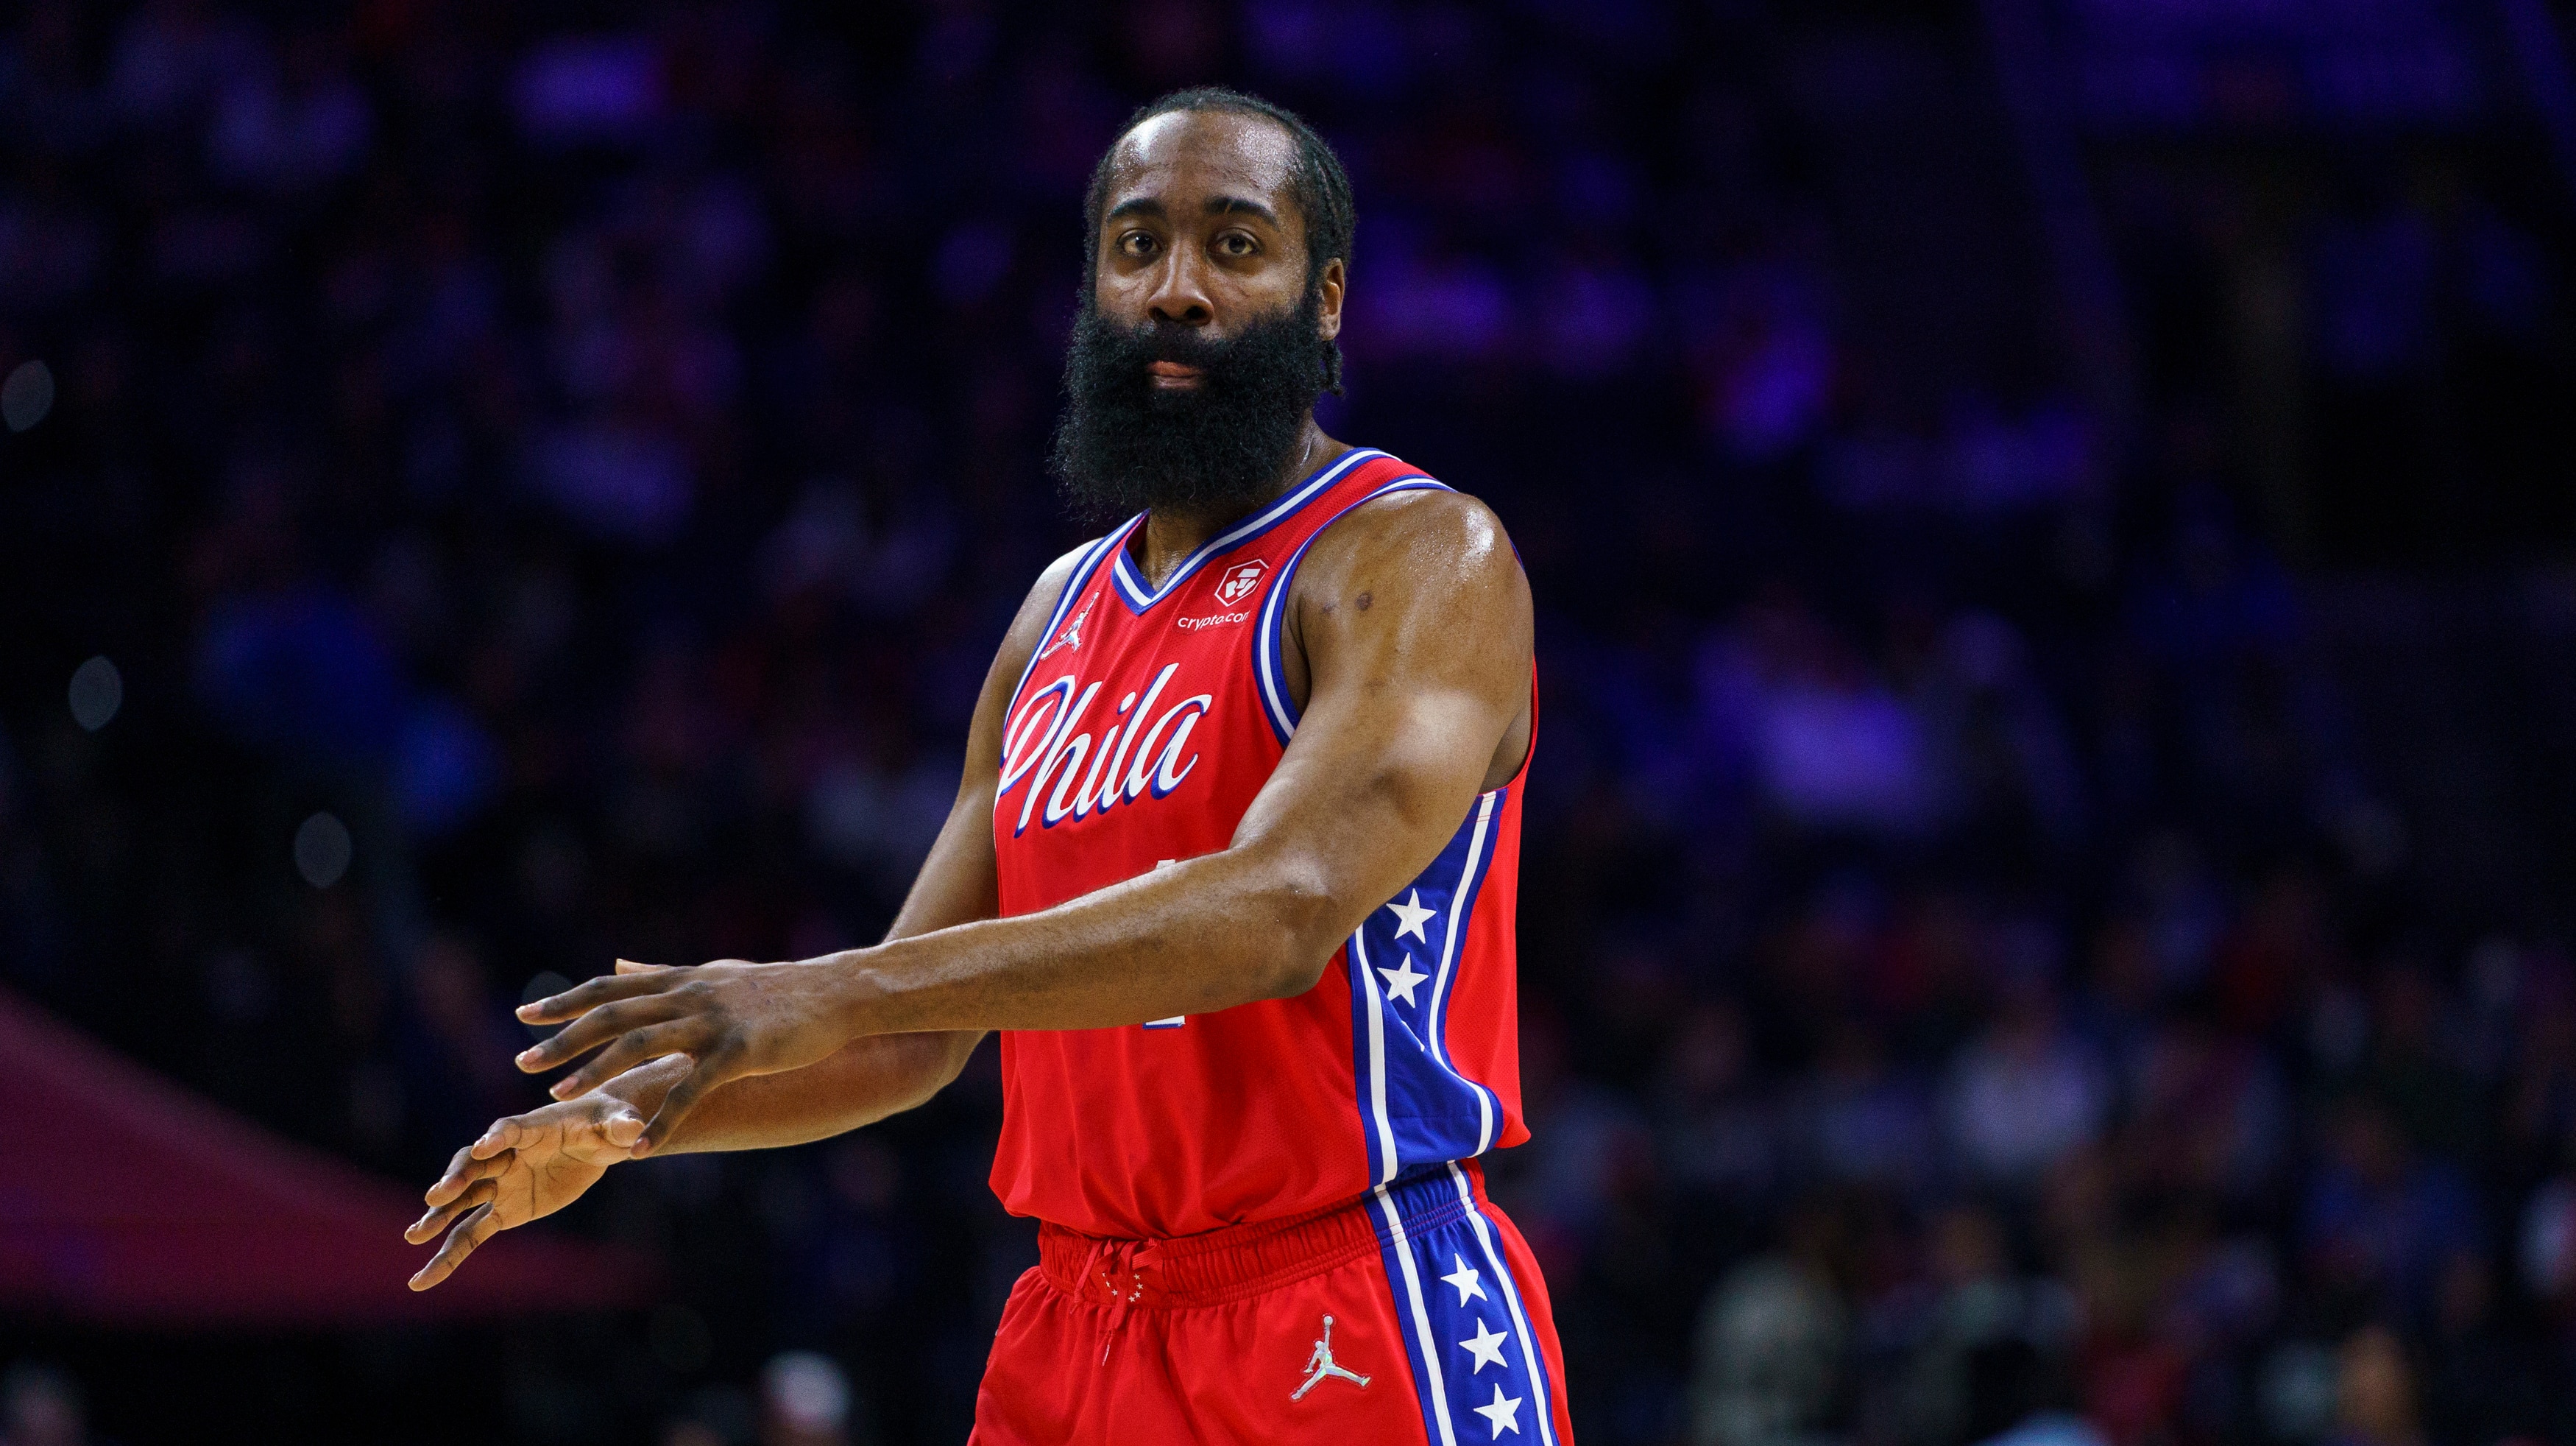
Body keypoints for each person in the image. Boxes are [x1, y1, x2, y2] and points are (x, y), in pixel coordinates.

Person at [404, 86, 1573, 1445]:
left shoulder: (1421, 556)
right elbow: (910, 1038)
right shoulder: (1058, 613)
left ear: (1325, 299)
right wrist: (631, 1122)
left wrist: (823, 988)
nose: (1178, 289)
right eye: (1137, 247)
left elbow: (1283, 909)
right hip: (1076, 1322)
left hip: (1344, 1302)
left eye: (1234, 246)